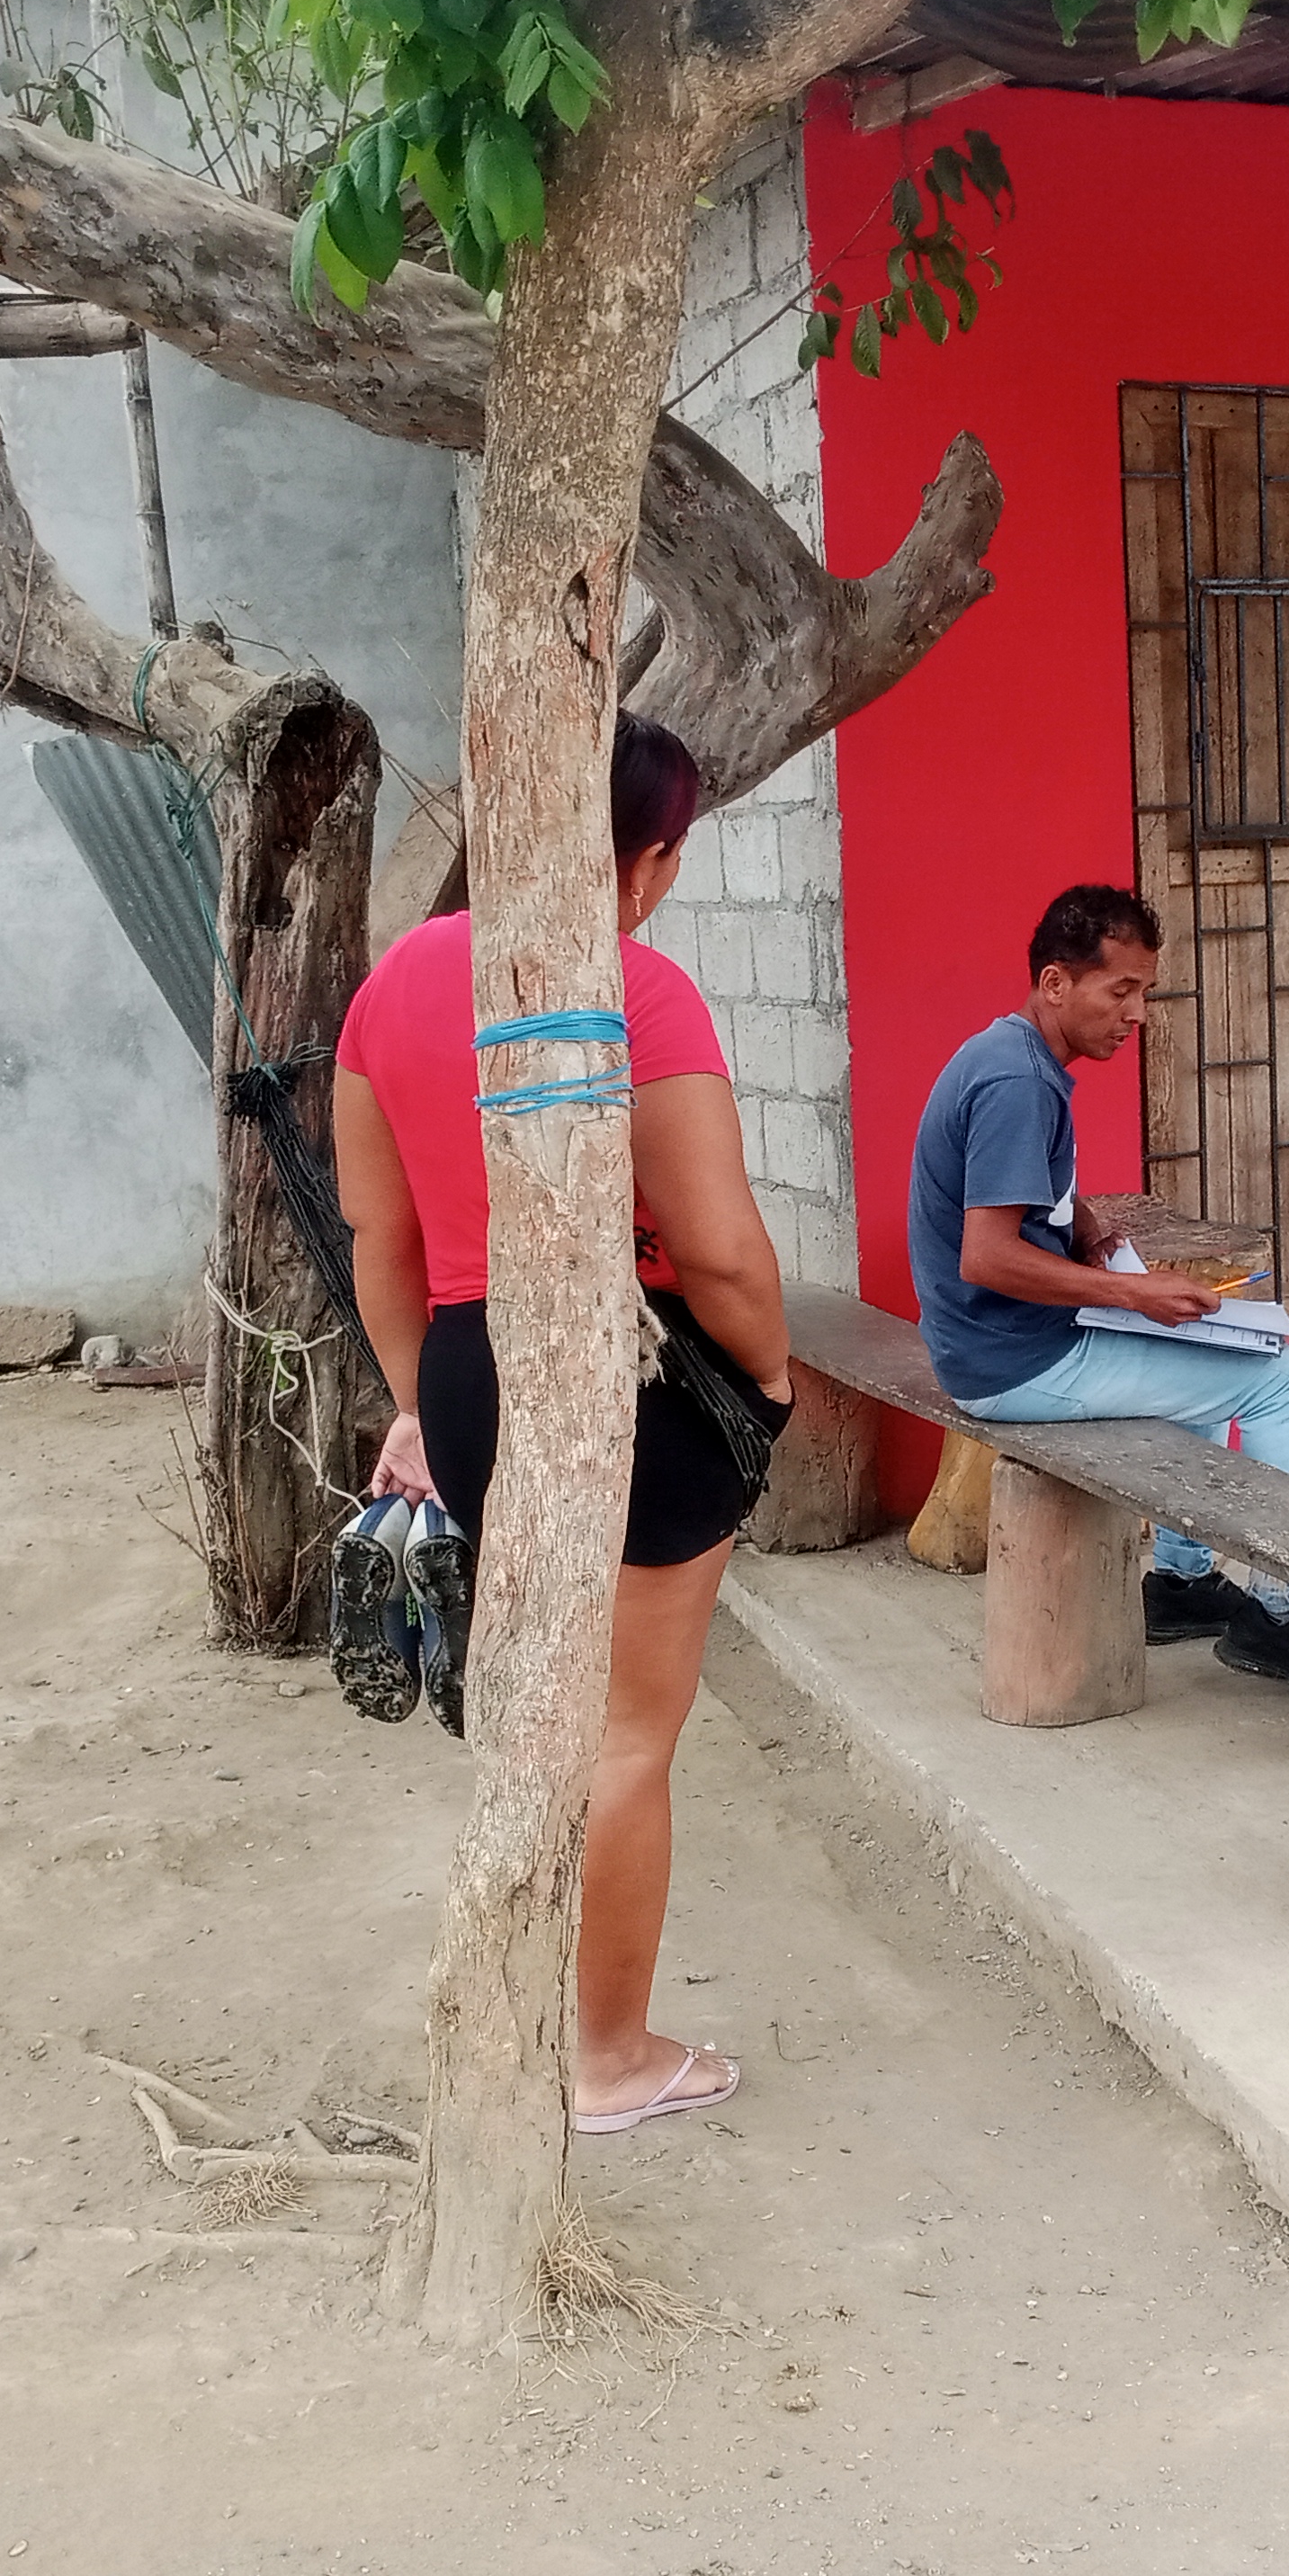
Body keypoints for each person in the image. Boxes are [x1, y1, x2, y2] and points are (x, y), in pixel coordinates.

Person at [332, 715, 794, 2132]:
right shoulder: (635, 990)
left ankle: (536, 2013)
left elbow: (381, 1239)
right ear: (649, 862)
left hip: (469, 1372)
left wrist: (423, 1403)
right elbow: (717, 1252)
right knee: (627, 1737)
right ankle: (608, 2059)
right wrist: (771, 1381)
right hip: (628, 1377)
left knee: (540, 1714)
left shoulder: (392, 986)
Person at [907, 883, 1289, 1695]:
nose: (1137, 1013)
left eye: (1146, 992)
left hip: (1003, 1343)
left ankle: (1180, 1582)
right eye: (1121, 991)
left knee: (1201, 1362)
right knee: (1285, 1380)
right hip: (1012, 1361)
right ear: (1056, 982)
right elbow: (986, 1258)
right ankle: (1282, 1615)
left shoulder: (1009, 1054)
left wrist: (1083, 1221)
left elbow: (1014, 1192)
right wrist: (1134, 1295)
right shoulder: (1019, 1083)